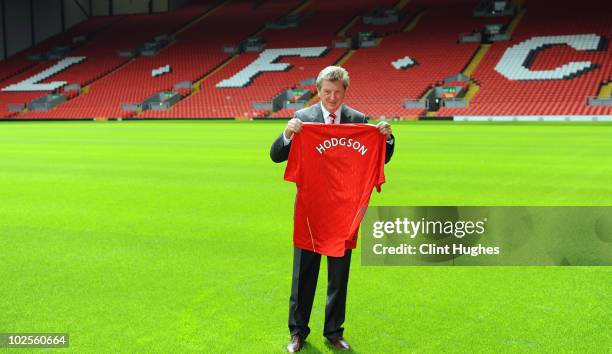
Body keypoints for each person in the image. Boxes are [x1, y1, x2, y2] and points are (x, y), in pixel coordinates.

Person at [270, 66, 395, 352]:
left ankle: (334, 332)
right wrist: (288, 133)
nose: (332, 98)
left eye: (337, 92)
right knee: (304, 275)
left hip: (344, 213)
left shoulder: (358, 120)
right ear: (318, 90)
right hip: (311, 212)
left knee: (339, 276)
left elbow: (380, 157)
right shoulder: (302, 118)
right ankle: (297, 332)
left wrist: (386, 138)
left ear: (345, 92)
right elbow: (276, 155)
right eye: (327, 92)